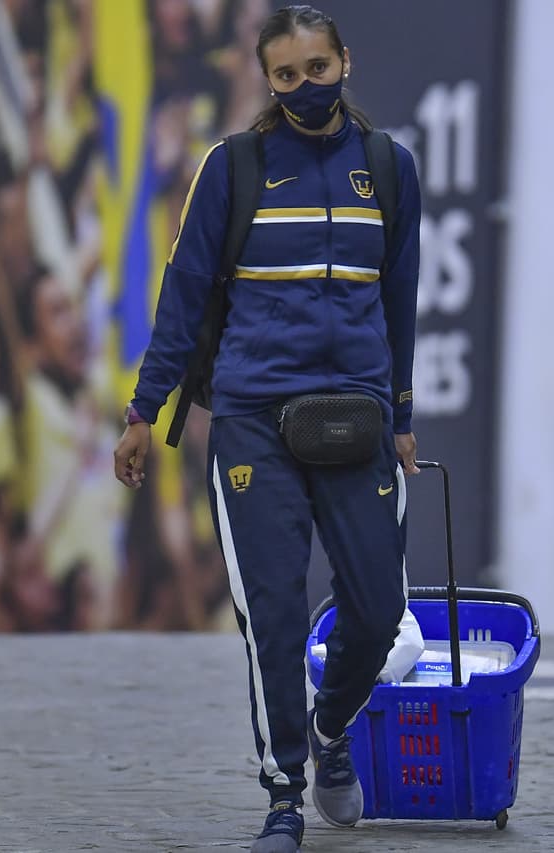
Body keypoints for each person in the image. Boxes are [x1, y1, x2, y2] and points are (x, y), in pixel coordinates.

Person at [112, 6, 421, 852]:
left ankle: (330, 731)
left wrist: (401, 418)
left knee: (379, 609)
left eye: (317, 69)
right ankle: (284, 794)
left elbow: (400, 301)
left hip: (358, 422)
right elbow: (182, 297)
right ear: (268, 79)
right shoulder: (233, 169)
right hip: (252, 425)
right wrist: (144, 411)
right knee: (275, 616)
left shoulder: (388, 170)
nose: (305, 88)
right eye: (286, 76)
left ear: (344, 61)